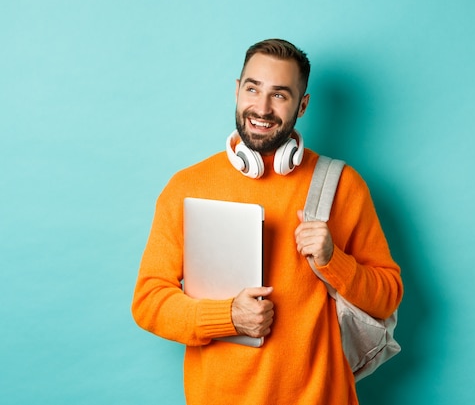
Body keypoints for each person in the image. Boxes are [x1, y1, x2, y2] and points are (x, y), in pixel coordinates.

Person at [132, 38, 403, 405]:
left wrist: (332, 260)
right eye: (252, 88)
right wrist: (228, 316)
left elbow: (388, 297)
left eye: (279, 95)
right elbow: (149, 301)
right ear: (237, 90)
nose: (261, 107)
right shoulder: (186, 187)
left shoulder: (342, 185)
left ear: (302, 105)